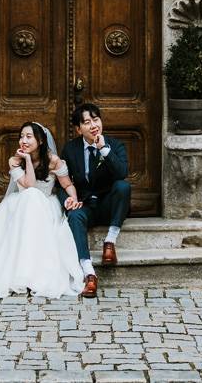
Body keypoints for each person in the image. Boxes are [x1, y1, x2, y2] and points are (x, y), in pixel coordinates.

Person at [0, 121, 84, 298]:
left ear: (41, 141)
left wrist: (73, 199)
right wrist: (27, 159)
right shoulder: (14, 161)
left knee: (34, 198)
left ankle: (35, 272)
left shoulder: (53, 161)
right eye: (22, 136)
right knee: (30, 196)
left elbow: (67, 184)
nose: (24, 140)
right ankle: (20, 273)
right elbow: (29, 186)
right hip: (21, 206)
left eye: (29, 137)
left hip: (46, 205)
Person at [59, 103, 131, 299]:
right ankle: (89, 272)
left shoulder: (115, 145)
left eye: (96, 120)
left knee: (123, 187)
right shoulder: (70, 150)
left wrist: (104, 150)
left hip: (108, 205)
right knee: (73, 216)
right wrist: (68, 200)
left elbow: (122, 173)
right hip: (85, 206)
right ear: (78, 129)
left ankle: (110, 241)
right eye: (87, 122)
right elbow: (62, 183)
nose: (93, 126)